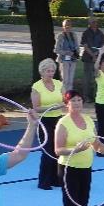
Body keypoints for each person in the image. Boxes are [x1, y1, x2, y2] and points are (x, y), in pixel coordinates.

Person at [31, 58, 66, 190]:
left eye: (52, 71)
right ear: (42, 71)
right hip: (44, 121)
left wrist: (64, 105)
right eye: (48, 71)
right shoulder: (37, 87)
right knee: (47, 150)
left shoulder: (58, 84)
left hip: (58, 120)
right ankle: (44, 181)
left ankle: (56, 179)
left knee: (57, 150)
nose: (50, 73)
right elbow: (36, 107)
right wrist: (52, 107)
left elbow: (65, 100)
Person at [80, 18, 104, 103]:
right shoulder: (86, 33)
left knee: (96, 78)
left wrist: (97, 54)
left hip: (97, 59)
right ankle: (86, 96)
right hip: (88, 58)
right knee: (87, 78)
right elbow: (85, 45)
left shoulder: (100, 33)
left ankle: (95, 96)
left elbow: (103, 45)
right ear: (89, 23)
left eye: (96, 22)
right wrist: (92, 54)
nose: (95, 23)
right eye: (93, 22)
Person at [54, 19, 80, 91]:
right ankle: (64, 96)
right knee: (65, 80)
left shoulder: (74, 35)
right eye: (65, 26)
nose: (67, 27)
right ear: (63, 27)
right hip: (64, 60)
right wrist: (67, 52)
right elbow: (56, 50)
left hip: (73, 59)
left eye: (69, 25)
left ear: (71, 26)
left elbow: (77, 47)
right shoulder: (60, 36)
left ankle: (70, 97)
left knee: (71, 80)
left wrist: (77, 53)